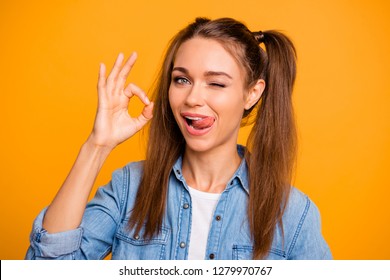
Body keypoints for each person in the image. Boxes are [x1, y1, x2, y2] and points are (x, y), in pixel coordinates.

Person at [25, 17, 332, 260]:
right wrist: (97, 146)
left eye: (216, 83)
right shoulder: (129, 188)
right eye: (181, 80)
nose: (192, 98)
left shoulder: (293, 213)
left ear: (252, 93)